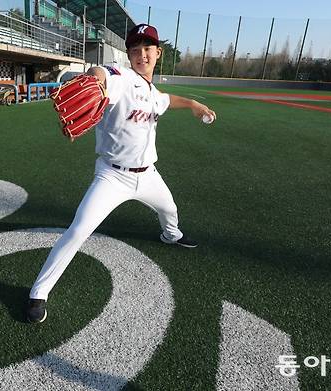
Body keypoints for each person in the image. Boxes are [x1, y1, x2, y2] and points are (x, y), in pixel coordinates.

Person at [27, 23, 216, 323]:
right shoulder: (122, 78)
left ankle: (171, 235)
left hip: (148, 175)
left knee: (169, 208)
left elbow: (166, 100)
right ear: (129, 55)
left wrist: (193, 104)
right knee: (79, 230)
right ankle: (39, 292)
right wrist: (95, 81)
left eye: (147, 48)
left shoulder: (154, 93)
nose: (141, 54)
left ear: (158, 53)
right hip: (112, 177)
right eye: (135, 50)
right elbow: (102, 74)